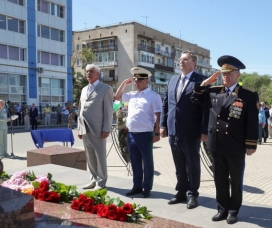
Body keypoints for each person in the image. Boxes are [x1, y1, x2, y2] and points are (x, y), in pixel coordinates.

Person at [191, 55, 259, 224]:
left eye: (230, 73)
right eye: (223, 73)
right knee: (219, 179)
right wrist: (206, 83)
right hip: (216, 144)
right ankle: (222, 209)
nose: (226, 76)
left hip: (236, 145)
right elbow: (194, 98)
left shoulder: (248, 95)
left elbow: (252, 122)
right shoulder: (213, 91)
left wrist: (251, 144)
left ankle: (233, 210)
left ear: (238, 75)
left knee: (235, 180)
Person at [160, 50, 208, 209]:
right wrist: (163, 125)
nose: (181, 62)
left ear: (194, 63)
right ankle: (181, 191)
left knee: (192, 164)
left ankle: (193, 194)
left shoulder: (201, 80)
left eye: (185, 59)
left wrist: (204, 130)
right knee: (179, 164)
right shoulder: (173, 80)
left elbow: (206, 108)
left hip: (191, 130)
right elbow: (166, 103)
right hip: (174, 130)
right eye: (180, 59)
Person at [115, 67, 162, 198]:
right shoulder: (132, 95)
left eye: (139, 80)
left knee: (147, 162)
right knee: (135, 161)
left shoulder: (153, 96)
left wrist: (157, 133)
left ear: (146, 81)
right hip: (131, 134)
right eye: (135, 81)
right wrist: (124, 83)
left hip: (145, 134)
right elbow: (117, 97)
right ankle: (137, 186)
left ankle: (146, 187)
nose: (136, 83)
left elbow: (158, 116)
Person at [78, 64, 113, 190]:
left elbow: (108, 111)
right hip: (85, 127)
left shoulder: (105, 88)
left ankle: (101, 182)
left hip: (98, 129)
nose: (88, 73)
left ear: (98, 74)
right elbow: (80, 109)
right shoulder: (83, 89)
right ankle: (93, 179)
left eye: (91, 71)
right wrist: (79, 127)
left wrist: (106, 129)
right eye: (87, 71)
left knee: (100, 156)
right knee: (89, 155)